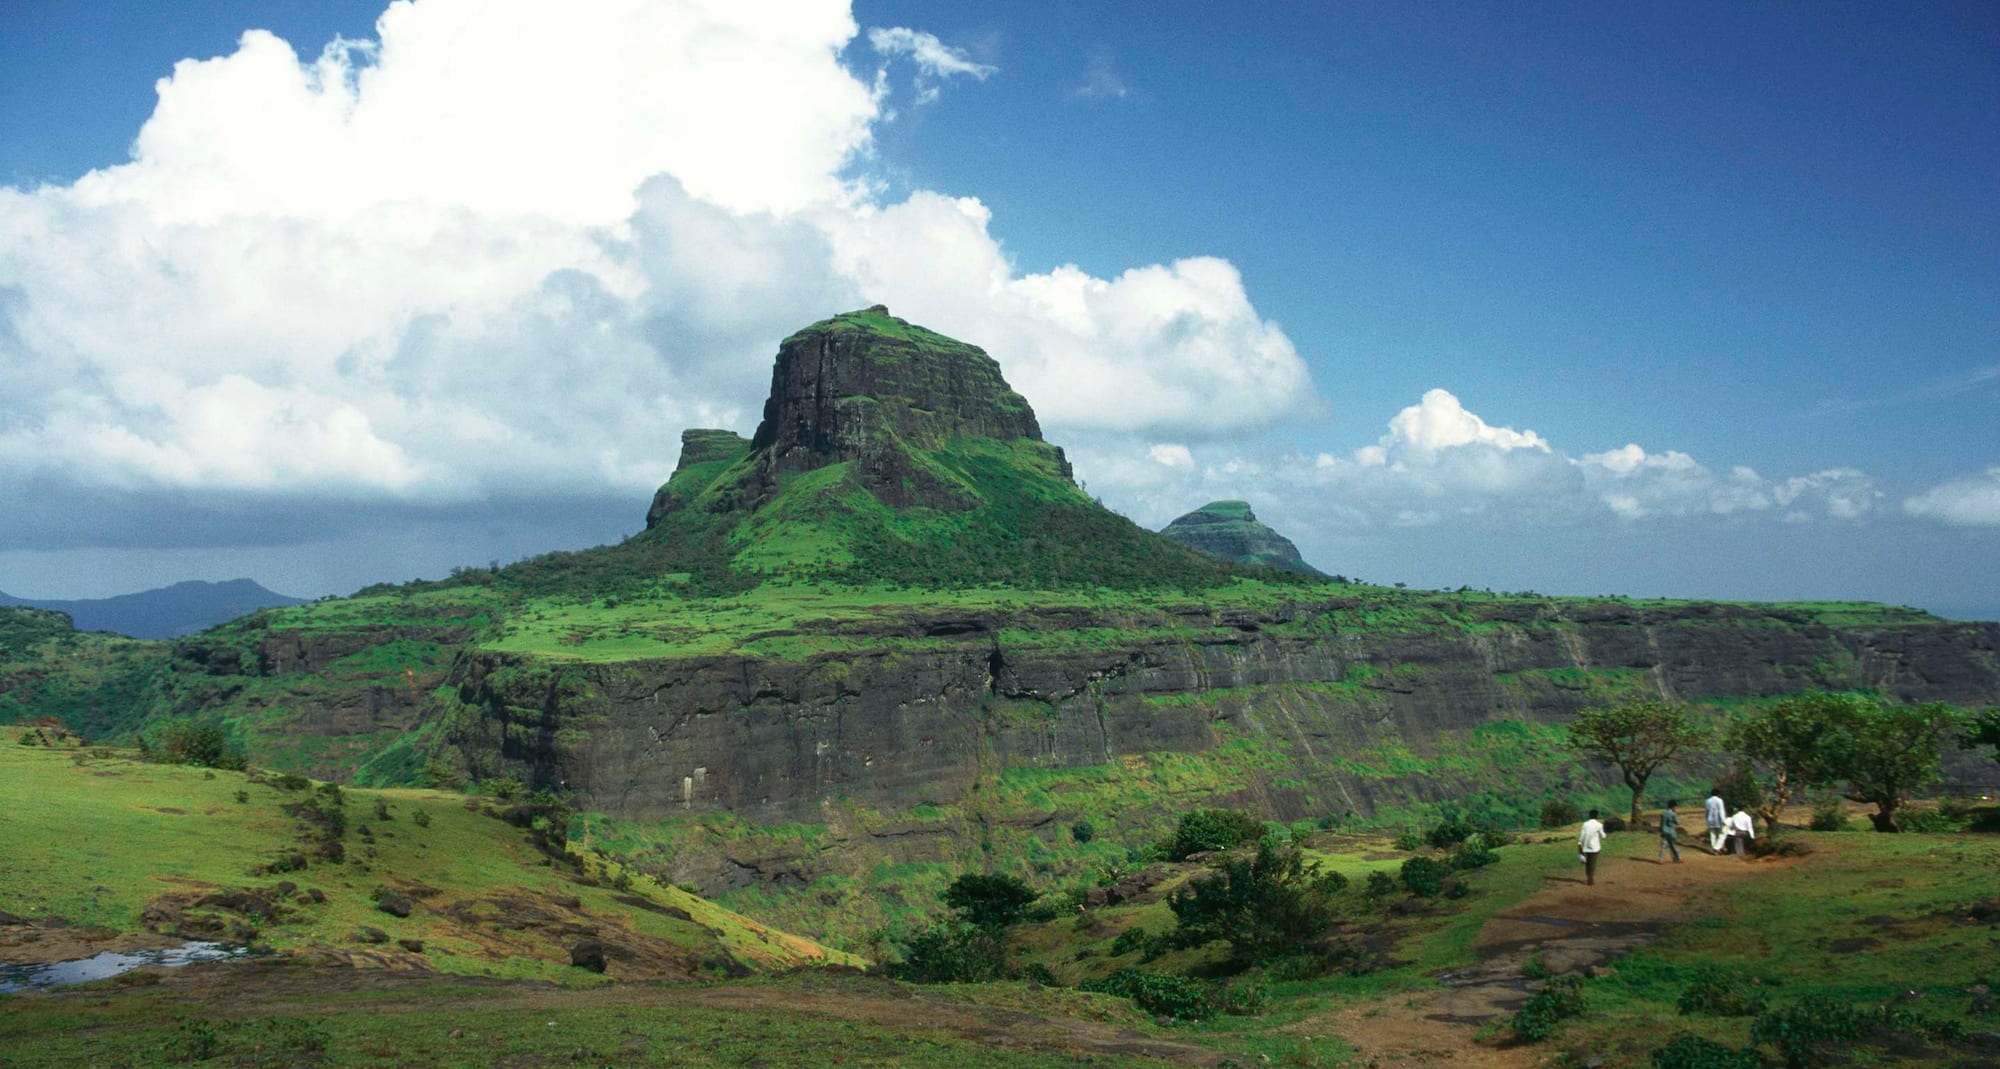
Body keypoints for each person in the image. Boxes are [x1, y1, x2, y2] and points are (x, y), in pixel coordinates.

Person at [1578, 808, 1606, 885]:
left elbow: (1582, 835)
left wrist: (1579, 843)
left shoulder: (1585, 824)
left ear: (1590, 815)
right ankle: (1590, 878)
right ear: (1597, 816)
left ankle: (1588, 876)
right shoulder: (1599, 825)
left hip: (1586, 846)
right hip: (1595, 847)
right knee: (1592, 863)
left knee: (1587, 863)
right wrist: (1604, 835)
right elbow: (1603, 836)